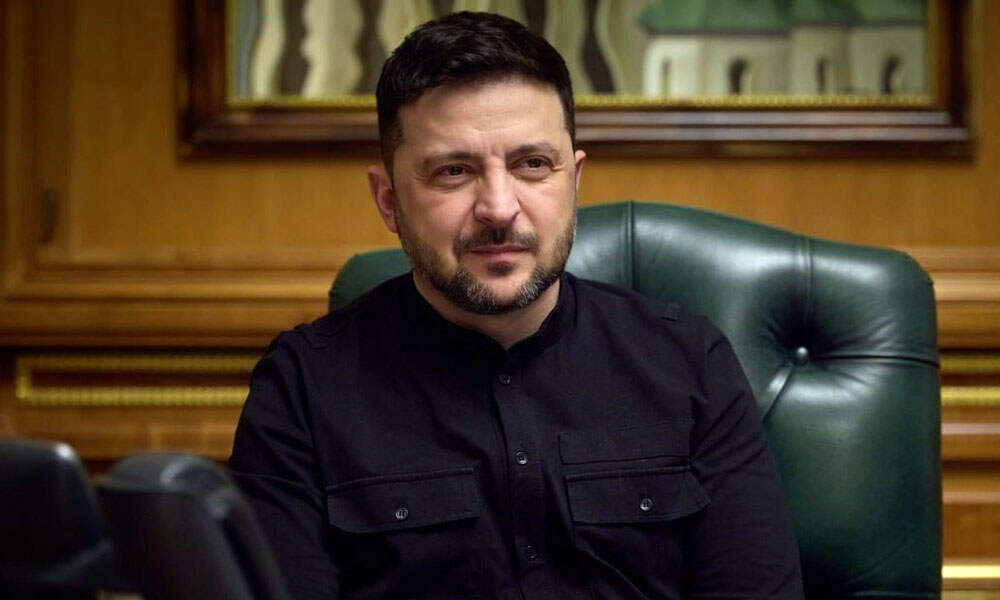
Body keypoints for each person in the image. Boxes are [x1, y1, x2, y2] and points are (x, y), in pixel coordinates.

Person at [230, 11, 803, 600]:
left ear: (573, 181)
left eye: (533, 164)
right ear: (389, 200)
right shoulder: (303, 386)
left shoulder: (689, 362)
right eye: (454, 171)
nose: (499, 208)